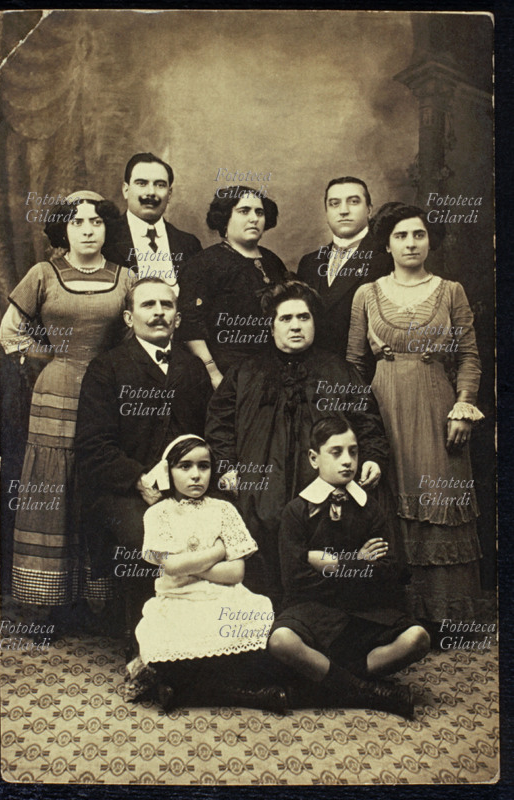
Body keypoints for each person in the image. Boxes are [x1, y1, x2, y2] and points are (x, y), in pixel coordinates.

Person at [205, 279, 387, 604]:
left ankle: (317, 621)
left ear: (314, 322)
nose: (295, 326)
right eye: (285, 319)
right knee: (260, 533)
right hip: (258, 485)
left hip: (321, 485)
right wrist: (227, 466)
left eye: (303, 317)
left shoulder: (339, 371)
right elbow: (219, 424)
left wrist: (372, 456)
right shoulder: (245, 372)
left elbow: (367, 420)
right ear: (271, 325)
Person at [347, 203, 484, 631]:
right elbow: (353, 365)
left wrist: (463, 406)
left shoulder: (452, 291)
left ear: (429, 241)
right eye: (401, 236)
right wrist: (357, 426)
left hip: (437, 409)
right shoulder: (366, 294)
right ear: (386, 244)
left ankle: (446, 619)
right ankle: (398, 620)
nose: (410, 243)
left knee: (439, 502)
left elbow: (469, 357)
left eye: (419, 235)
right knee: (387, 502)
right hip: (383, 410)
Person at [0, 190, 133, 611]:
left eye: (96, 222)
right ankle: (47, 599)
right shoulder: (42, 273)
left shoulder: (125, 277)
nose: (88, 230)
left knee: (97, 474)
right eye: (78, 222)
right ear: (65, 229)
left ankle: (99, 601)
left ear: (107, 228)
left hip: (106, 391)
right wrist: (51, 359)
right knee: (53, 485)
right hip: (55, 388)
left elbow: (133, 339)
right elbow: (9, 334)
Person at [75, 278, 212, 651]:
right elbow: (92, 446)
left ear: (178, 318)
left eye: (166, 306)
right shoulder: (107, 368)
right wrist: (137, 479)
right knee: (148, 537)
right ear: (128, 316)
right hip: (123, 491)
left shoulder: (193, 367)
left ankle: (201, 641)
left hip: (187, 485)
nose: (158, 313)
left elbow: (209, 433)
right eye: (148, 305)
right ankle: (148, 648)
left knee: (218, 527)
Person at [268, 416, 429, 718]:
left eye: (353, 452)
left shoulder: (370, 507)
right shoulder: (296, 511)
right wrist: (359, 561)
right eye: (336, 452)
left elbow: (391, 571)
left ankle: (325, 682)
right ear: (314, 459)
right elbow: (295, 580)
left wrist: (328, 562)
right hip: (311, 609)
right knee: (281, 641)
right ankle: (364, 690)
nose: (347, 461)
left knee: (418, 639)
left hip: (362, 611)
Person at [125, 435, 286, 712]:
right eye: (184, 467)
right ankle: (239, 694)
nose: (196, 475)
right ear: (167, 471)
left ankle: (189, 689)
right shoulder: (158, 514)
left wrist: (192, 566)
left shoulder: (224, 510)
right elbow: (172, 567)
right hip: (178, 599)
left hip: (223, 596)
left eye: (204, 466)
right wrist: (216, 552)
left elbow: (236, 572)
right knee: (167, 632)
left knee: (253, 624)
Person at [178, 187, 287, 387]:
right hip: (227, 374)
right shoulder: (204, 264)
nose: (254, 218)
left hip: (276, 370)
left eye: (259, 212)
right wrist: (213, 373)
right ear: (225, 218)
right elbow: (190, 326)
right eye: (244, 211)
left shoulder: (273, 262)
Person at [297, 177, 390, 371]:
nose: (343, 210)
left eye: (353, 201)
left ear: (369, 210)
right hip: (314, 375)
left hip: (366, 375)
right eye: (334, 203)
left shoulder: (386, 259)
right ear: (326, 213)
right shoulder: (309, 263)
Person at [102, 152, 201, 288]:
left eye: (160, 185)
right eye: (141, 183)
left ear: (170, 194)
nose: (151, 192)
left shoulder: (189, 244)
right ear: (126, 190)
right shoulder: (104, 238)